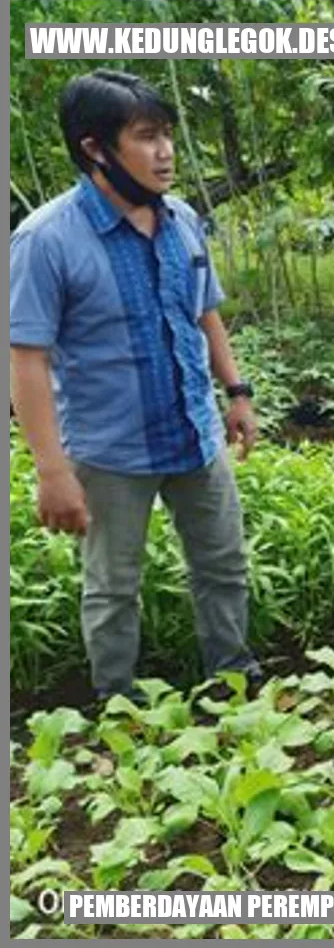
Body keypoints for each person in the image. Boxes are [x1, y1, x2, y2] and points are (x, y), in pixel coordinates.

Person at [9, 70, 262, 702]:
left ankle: (233, 678)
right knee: (113, 585)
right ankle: (115, 706)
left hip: (194, 433)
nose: (167, 152)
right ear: (95, 148)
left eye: (169, 135)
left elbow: (204, 312)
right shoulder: (45, 239)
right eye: (147, 137)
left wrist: (236, 392)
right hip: (110, 448)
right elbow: (28, 358)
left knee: (223, 565)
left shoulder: (180, 219)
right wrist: (52, 470)